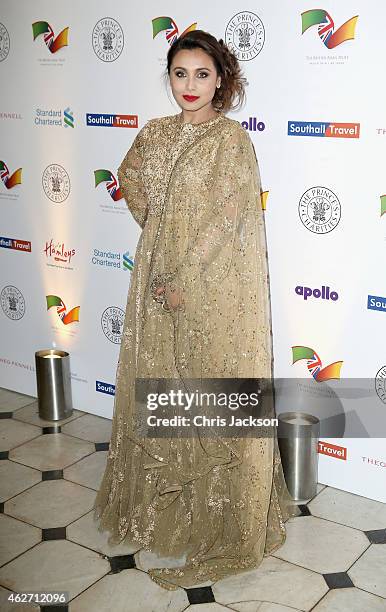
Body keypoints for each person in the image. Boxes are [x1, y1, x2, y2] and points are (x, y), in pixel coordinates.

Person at [93, 29, 300, 591]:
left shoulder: (231, 141)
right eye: (180, 74)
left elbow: (228, 217)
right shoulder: (156, 133)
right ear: (170, 78)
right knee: (162, 380)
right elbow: (131, 181)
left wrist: (185, 276)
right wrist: (158, 234)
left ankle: (219, 515)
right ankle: (166, 511)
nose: (190, 86)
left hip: (212, 290)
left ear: (221, 80)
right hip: (155, 280)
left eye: (202, 75)